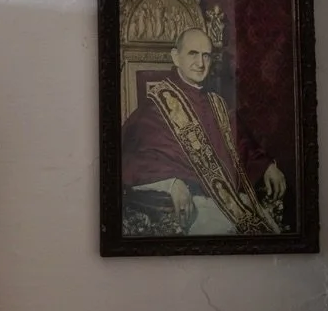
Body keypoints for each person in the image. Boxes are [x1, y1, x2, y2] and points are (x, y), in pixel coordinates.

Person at [120, 29, 286, 235]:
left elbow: (242, 144)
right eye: (193, 54)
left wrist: (266, 165)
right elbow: (132, 159)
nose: (200, 63)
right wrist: (172, 184)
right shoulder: (155, 107)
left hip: (232, 200)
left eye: (206, 55)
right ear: (176, 57)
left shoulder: (217, 103)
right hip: (195, 206)